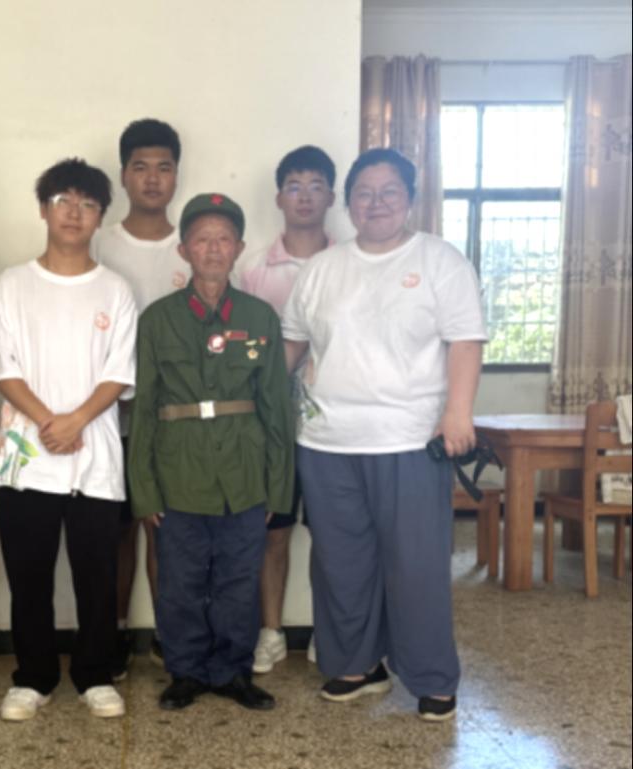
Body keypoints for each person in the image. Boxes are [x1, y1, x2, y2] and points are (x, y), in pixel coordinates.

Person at [281, 148, 486, 722]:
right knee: (340, 562)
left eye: (389, 191)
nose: (376, 203)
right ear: (348, 204)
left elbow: (465, 341)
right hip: (326, 442)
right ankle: (356, 665)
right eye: (364, 193)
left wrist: (459, 413)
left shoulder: (441, 261)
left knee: (416, 565)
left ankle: (431, 676)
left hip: (410, 439)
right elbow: (292, 346)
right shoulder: (322, 269)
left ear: (410, 199)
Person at [129, 193, 295, 711]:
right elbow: (144, 408)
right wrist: (144, 490)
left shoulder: (259, 318)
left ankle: (232, 672)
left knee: (238, 579)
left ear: (239, 248)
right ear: (184, 250)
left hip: (243, 474)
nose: (214, 248)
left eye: (224, 239)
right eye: (202, 239)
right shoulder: (157, 320)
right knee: (180, 581)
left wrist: (278, 489)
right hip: (177, 472)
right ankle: (185, 671)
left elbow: (276, 408)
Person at [0, 158, 138, 722]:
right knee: (28, 576)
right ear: (43, 210)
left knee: (97, 575)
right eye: (62, 201)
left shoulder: (115, 289)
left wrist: (76, 420)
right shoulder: (12, 283)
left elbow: (119, 372)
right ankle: (33, 677)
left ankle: (95, 673)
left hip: (93, 459)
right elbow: (2, 366)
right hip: (26, 457)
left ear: (100, 215)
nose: (74, 213)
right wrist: (50, 421)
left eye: (87, 203)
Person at [233, 145, 336, 674]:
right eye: (294, 186)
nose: (305, 196)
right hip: (266, 425)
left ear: (332, 197)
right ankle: (270, 632)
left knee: (333, 533)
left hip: (334, 425)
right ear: (278, 197)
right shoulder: (252, 269)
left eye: (316, 186)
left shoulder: (349, 262)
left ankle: (330, 631)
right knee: (271, 529)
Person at [92, 118, 189, 678]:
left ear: (177, 175)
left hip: (176, 423)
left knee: (166, 530)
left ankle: (170, 638)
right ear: (124, 175)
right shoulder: (99, 243)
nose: (152, 179)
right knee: (116, 531)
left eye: (164, 168)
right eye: (141, 167)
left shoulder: (192, 246)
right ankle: (114, 634)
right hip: (111, 417)